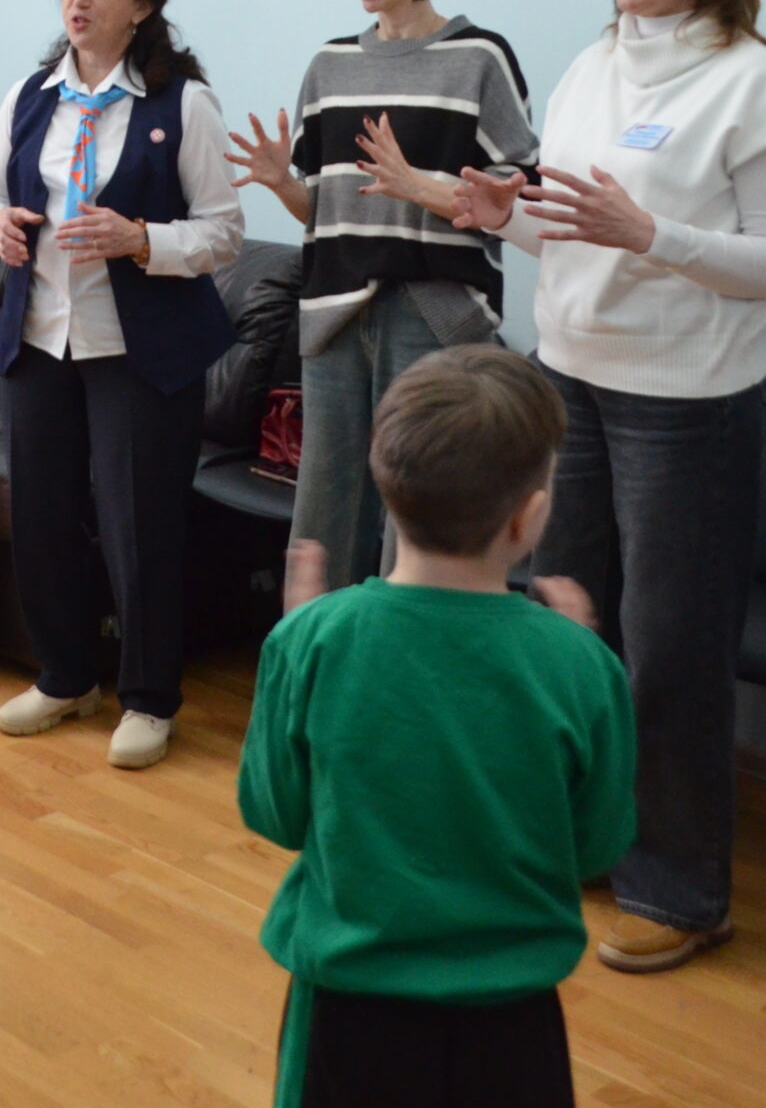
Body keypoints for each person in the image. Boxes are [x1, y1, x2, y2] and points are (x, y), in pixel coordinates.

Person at [449, 0, 766, 974]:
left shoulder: (756, 86)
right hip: (568, 378)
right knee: (568, 629)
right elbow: (577, 232)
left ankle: (680, 889)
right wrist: (506, 218)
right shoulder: (591, 66)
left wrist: (653, 233)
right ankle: (581, 839)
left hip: (687, 402)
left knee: (669, 653)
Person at [239, 344, 634, 1108]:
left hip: (348, 1019)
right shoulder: (582, 665)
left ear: (386, 487)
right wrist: (577, 656)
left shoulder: (313, 641)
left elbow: (274, 814)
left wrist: (293, 650)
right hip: (513, 1028)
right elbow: (597, 845)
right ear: (529, 515)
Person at [0, 0, 244, 769]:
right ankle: (65, 677)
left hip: (140, 350)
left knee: (140, 527)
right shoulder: (30, 96)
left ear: (143, 5)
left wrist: (141, 240)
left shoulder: (182, 104)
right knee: (42, 517)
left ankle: (149, 698)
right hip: (39, 339)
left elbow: (224, 232)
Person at [225, 0, 537, 588]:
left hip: (436, 313)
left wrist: (417, 185)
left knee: (420, 517)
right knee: (324, 515)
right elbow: (323, 216)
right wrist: (281, 183)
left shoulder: (480, 58)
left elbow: (518, 198)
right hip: (335, 314)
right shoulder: (330, 65)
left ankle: (403, 656)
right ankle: (316, 654)